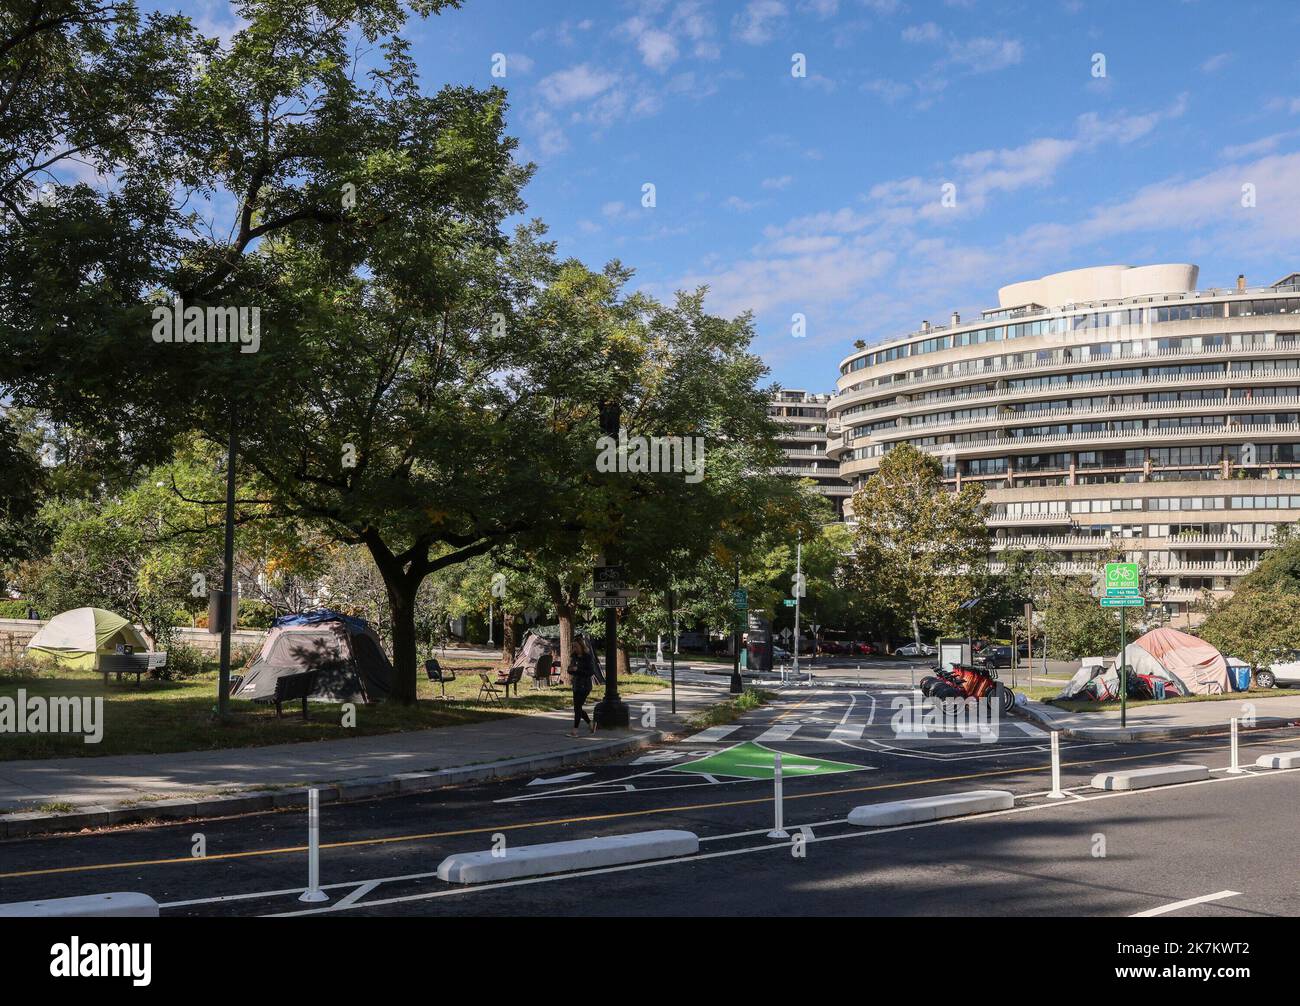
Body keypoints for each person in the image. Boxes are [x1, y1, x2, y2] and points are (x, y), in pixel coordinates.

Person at [569, 637, 596, 735]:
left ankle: (575, 730)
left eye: (576, 646)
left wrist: (578, 670)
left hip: (585, 686)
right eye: (573, 646)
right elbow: (570, 669)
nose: (574, 648)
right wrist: (571, 669)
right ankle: (591, 724)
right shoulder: (574, 656)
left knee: (577, 708)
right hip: (576, 684)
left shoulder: (587, 657)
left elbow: (591, 672)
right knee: (578, 707)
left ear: (581, 646)